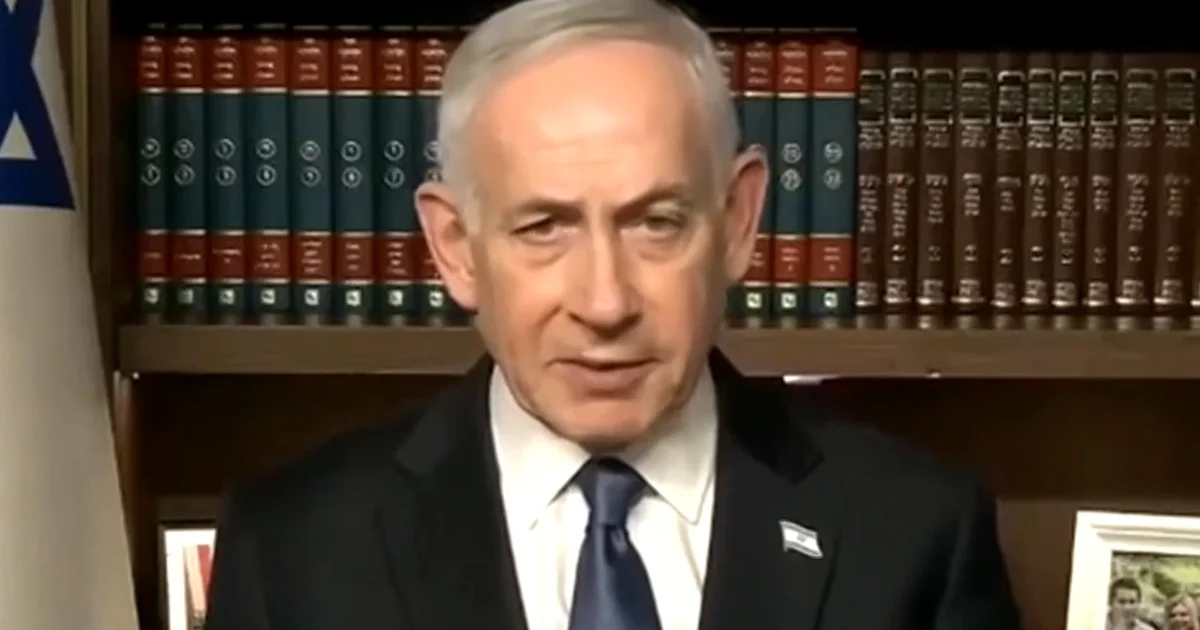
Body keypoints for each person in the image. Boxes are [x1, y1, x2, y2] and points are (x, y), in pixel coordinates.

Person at [203, 0, 1022, 628]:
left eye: (655, 223)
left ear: (739, 221)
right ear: (455, 247)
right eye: (543, 228)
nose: (605, 303)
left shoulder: (916, 533)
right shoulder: (290, 551)